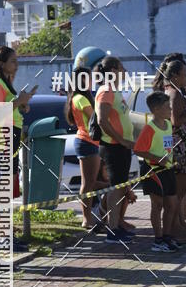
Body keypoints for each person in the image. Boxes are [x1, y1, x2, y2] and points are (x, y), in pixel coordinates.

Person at [0, 47, 37, 251]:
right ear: (1, 63)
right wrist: (19, 101)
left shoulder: (6, 83)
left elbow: (11, 106)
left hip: (12, 135)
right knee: (2, 191)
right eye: (13, 61)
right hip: (2, 138)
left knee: (8, 190)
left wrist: (22, 104)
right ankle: (1, 237)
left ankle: (6, 234)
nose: (16, 65)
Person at [94, 56, 135, 242]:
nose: (125, 71)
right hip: (113, 145)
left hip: (121, 146)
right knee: (115, 188)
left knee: (119, 188)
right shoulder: (106, 90)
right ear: (112, 71)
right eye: (122, 68)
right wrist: (121, 140)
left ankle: (116, 224)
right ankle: (112, 230)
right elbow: (102, 120)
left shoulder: (115, 91)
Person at [133, 91, 179, 252]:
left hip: (167, 168)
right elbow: (139, 149)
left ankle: (167, 236)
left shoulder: (168, 125)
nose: (170, 110)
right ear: (157, 109)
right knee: (157, 204)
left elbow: (166, 145)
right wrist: (157, 158)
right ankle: (158, 239)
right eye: (167, 107)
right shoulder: (149, 128)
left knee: (172, 204)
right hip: (153, 169)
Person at [65, 67, 108, 229]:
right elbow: (95, 118)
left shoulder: (82, 97)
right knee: (88, 183)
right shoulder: (80, 98)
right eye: (88, 78)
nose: (91, 81)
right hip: (86, 141)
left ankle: (97, 215)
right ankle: (87, 218)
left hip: (92, 142)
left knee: (93, 182)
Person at [163, 59, 186, 241]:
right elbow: (177, 121)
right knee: (178, 190)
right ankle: (175, 228)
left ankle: (178, 225)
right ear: (176, 76)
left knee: (179, 190)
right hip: (180, 147)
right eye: (185, 74)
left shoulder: (172, 91)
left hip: (179, 146)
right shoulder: (175, 94)